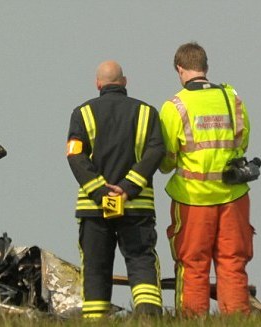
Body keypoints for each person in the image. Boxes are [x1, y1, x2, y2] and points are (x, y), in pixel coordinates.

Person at [159, 42, 253, 316]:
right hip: (233, 196)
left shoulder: (175, 105)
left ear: (180, 69)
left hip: (192, 198)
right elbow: (242, 142)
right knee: (233, 261)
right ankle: (236, 319)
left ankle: (192, 319)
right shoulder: (232, 98)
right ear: (206, 68)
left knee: (192, 263)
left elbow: (166, 158)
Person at [66, 60, 165, 318]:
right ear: (124, 82)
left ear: (98, 84)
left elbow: (75, 156)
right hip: (136, 206)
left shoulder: (81, 113)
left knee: (96, 268)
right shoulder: (147, 113)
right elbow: (156, 152)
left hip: (94, 209)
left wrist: (101, 192)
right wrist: (127, 187)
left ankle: (96, 320)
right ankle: (148, 318)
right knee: (141, 261)